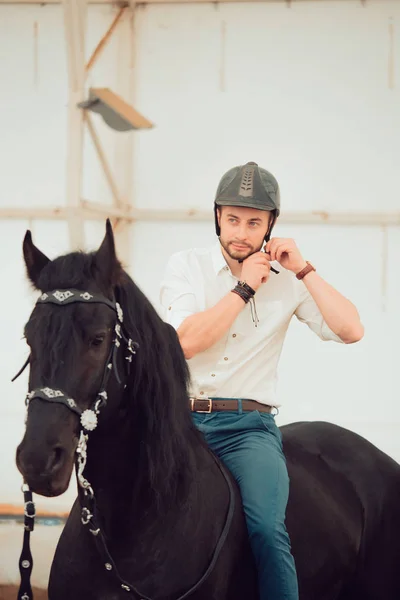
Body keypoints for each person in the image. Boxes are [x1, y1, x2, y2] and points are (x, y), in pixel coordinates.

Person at [159, 161, 364, 600]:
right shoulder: (186, 267)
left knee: (268, 530)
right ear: (217, 216)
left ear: (271, 226)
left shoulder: (289, 280)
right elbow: (185, 343)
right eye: (232, 219)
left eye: (254, 222)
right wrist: (243, 289)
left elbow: (351, 330)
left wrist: (305, 270)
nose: (241, 232)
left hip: (246, 431)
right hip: (179, 425)